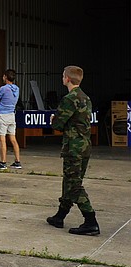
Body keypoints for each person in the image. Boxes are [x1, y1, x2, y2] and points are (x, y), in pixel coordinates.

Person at [46, 66, 100, 236]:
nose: (62, 78)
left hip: (73, 147)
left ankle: (90, 220)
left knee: (73, 184)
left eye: (63, 76)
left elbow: (58, 125)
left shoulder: (69, 99)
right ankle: (60, 216)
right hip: (84, 146)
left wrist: (53, 119)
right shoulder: (86, 97)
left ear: (67, 79)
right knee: (70, 181)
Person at [0, 69, 22, 171]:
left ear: (5, 77)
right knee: (13, 139)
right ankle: (17, 161)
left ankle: (3, 162)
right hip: (11, 115)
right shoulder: (16, 89)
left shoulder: (3, 89)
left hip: (2, 115)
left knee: (2, 139)